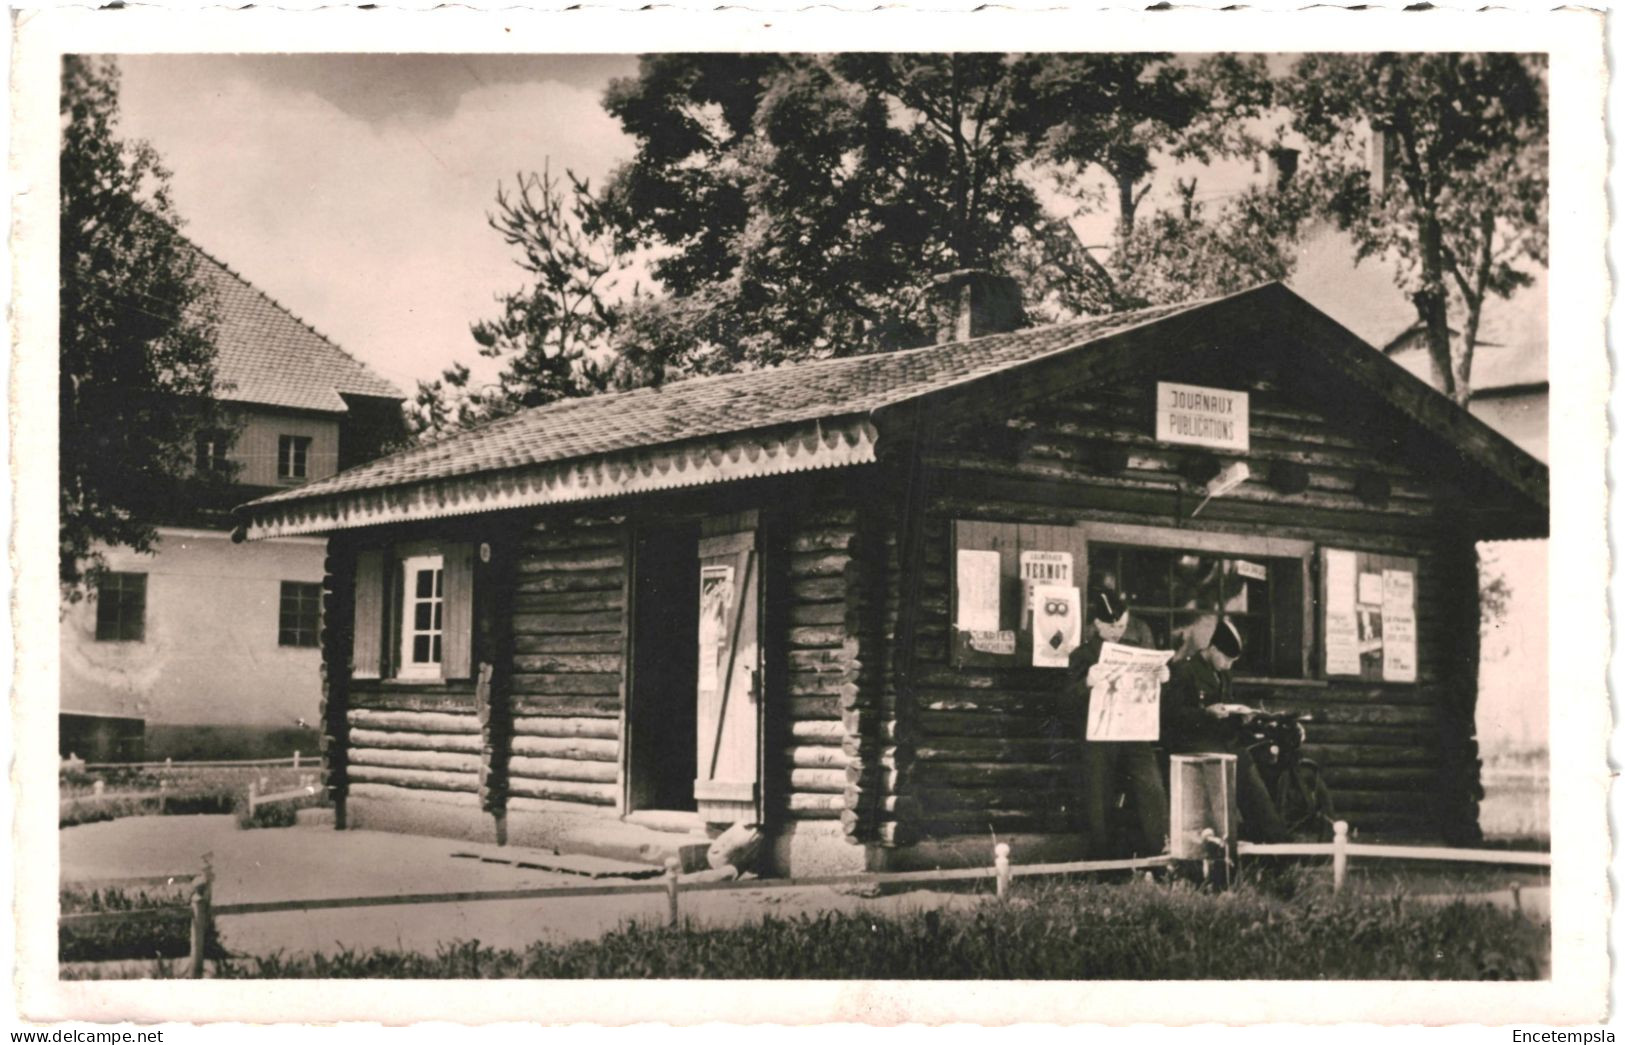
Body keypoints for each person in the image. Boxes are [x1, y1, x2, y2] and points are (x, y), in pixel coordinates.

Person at [1161, 617, 1288, 843]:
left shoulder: (1223, 675)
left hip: (1224, 744)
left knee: (1253, 785)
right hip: (1195, 745)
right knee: (1236, 781)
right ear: (1212, 649)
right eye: (1226, 659)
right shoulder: (1185, 671)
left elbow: (1227, 707)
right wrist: (1206, 713)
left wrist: (1242, 718)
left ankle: (1273, 842)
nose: (1229, 665)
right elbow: (1171, 715)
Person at [1067, 589, 1169, 859]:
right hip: (1099, 736)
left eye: (1122, 625)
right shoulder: (1083, 655)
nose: (1117, 632)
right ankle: (1103, 863)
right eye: (1111, 626)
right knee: (1099, 798)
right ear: (1098, 624)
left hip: (1134, 734)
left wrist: (1162, 677)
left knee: (1152, 789)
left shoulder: (1135, 649)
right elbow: (1065, 701)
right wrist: (1087, 683)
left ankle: (1159, 855)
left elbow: (1151, 693)